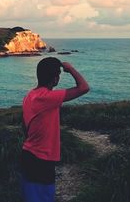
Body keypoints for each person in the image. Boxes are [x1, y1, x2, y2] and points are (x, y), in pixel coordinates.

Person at [20, 57, 90, 202]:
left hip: (29, 154)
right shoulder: (47, 97)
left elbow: (24, 124)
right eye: (58, 73)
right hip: (41, 158)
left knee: (32, 196)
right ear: (54, 78)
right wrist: (70, 69)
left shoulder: (30, 95)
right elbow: (84, 87)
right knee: (44, 197)